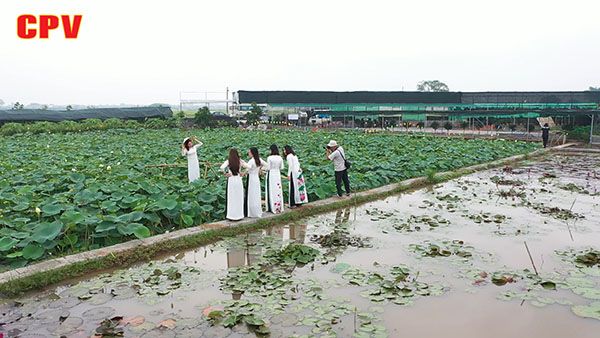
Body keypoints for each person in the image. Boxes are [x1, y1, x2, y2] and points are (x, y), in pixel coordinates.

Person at [220, 148, 249, 221]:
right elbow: (249, 167)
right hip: (238, 179)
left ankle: (231, 215)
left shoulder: (228, 161)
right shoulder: (240, 161)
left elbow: (221, 167)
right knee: (239, 197)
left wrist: (225, 174)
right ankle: (239, 215)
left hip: (231, 179)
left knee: (231, 197)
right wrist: (244, 172)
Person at [245, 147, 267, 218]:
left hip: (251, 179)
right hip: (256, 179)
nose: (248, 153)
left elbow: (247, 169)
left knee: (251, 195)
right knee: (256, 195)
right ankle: (257, 211)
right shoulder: (259, 159)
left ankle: (252, 212)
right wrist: (261, 169)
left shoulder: (251, 161)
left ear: (252, 153)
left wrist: (242, 163)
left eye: (249, 152)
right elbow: (267, 165)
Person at [265, 144, 285, 214]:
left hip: (271, 174)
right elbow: (282, 167)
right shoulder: (280, 158)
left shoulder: (269, 158)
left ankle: (272, 207)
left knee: (271, 190)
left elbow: (268, 168)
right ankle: (279, 207)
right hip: (277, 174)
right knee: (278, 190)